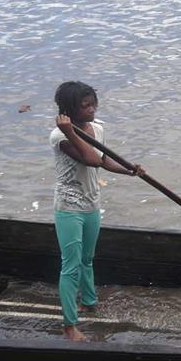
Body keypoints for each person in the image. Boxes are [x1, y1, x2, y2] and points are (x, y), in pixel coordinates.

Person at [51, 81, 143, 342]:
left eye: (93, 104)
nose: (91, 110)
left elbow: (103, 160)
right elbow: (90, 159)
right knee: (70, 266)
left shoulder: (97, 128)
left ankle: (89, 301)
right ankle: (69, 325)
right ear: (69, 110)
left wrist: (129, 170)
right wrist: (69, 131)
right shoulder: (59, 137)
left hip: (91, 203)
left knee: (87, 259)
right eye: (84, 106)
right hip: (69, 206)